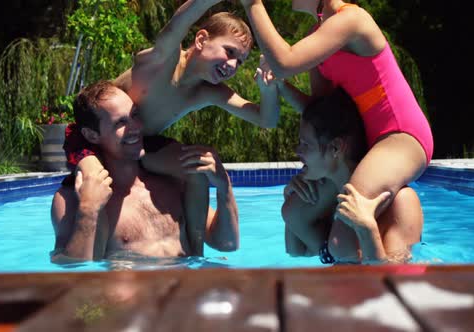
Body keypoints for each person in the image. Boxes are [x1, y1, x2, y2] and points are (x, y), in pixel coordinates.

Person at [66, 1, 279, 256]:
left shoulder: (208, 91)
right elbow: (175, 28)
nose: (233, 66)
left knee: (197, 166)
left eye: (241, 62)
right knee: (95, 180)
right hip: (95, 137)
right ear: (201, 39)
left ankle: (195, 254)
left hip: (144, 142)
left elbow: (266, 120)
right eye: (230, 52)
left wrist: (268, 91)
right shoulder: (163, 60)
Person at [239, 0, 433, 254]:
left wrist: (251, 3)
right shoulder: (317, 35)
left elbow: (284, 62)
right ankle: (330, 255)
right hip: (362, 142)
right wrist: (280, 86)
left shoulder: (353, 20)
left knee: (343, 240)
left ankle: (349, 254)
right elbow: (321, 111)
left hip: (398, 137)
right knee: (295, 213)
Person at [51, 81, 239, 262]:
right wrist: (88, 210)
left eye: (135, 115)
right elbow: (71, 270)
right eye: (121, 123)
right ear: (92, 135)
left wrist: (224, 186)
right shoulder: (70, 199)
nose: (136, 127)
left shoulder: (173, 183)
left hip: (186, 290)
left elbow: (227, 244)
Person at [282, 89, 423, 264]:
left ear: (335, 148)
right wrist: (289, 196)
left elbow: (394, 280)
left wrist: (367, 228)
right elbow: (296, 251)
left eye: (305, 144)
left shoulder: (401, 202)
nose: (298, 151)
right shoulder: (332, 197)